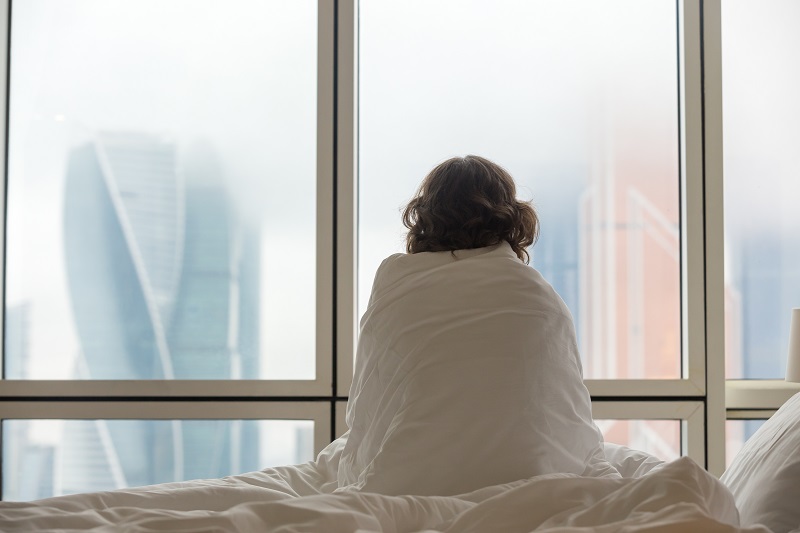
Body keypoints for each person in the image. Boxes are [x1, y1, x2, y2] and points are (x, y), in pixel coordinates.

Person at [335, 155, 617, 496]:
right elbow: (565, 410)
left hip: (412, 481)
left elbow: (369, 404)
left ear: (425, 215)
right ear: (509, 218)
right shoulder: (538, 294)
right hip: (537, 471)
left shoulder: (396, 281)